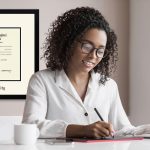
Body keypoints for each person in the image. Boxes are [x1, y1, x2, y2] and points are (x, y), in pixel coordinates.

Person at [22, 7, 134, 138]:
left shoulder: (109, 86)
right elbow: (31, 125)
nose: (93, 56)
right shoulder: (42, 80)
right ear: (69, 42)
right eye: (87, 46)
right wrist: (82, 130)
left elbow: (124, 129)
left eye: (100, 50)